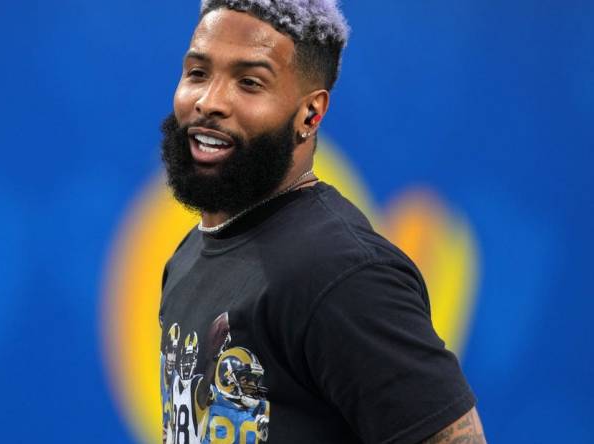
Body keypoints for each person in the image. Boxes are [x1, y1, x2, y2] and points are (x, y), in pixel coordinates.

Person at [157, 1, 486, 442]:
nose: (210, 101)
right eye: (197, 73)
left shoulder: (343, 273)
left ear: (310, 115)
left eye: (250, 83)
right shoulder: (189, 255)